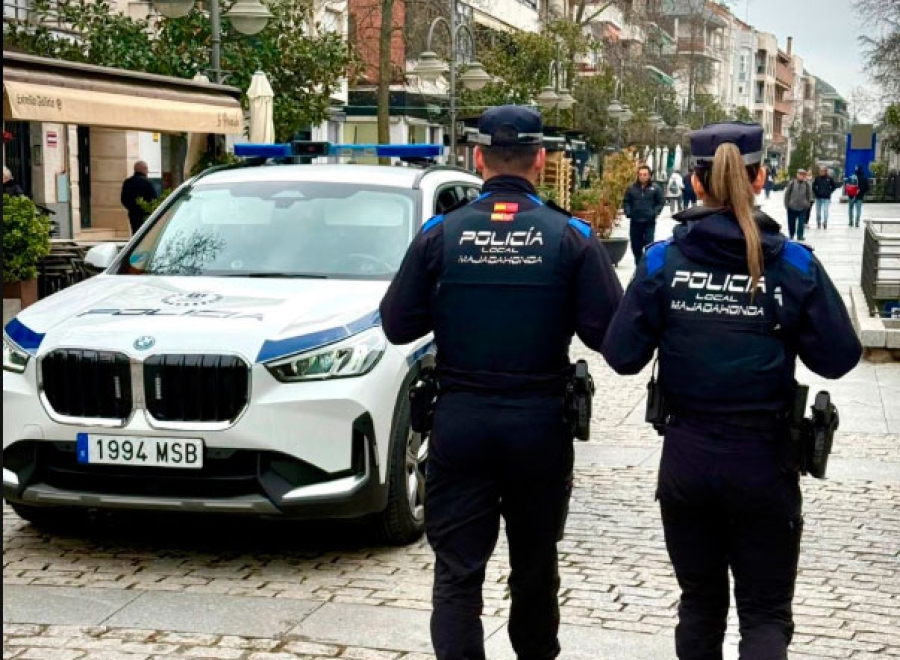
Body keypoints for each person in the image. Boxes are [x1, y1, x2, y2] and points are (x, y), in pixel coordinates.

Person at [601, 121, 862, 660]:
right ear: (761, 176)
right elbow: (838, 357)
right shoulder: (793, 263)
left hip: (687, 458)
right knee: (764, 614)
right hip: (764, 461)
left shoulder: (661, 261)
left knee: (699, 605)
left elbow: (621, 356)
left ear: (696, 184)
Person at [379, 105, 623, 660]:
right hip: (539, 425)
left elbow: (397, 324)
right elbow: (611, 335)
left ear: (477, 157)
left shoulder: (440, 235)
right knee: (535, 568)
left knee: (458, 576)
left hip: (461, 422)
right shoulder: (572, 237)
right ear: (541, 159)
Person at [623, 165, 665, 266]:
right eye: (640, 174)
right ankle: (638, 266)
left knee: (649, 245)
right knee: (636, 246)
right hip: (635, 222)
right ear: (638, 175)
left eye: (645, 174)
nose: (642, 177)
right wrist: (628, 212)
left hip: (649, 222)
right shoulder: (631, 188)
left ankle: (646, 266)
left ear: (649, 175)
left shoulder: (655, 188)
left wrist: (655, 212)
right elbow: (626, 201)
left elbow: (661, 202)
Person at [120, 160, 158, 234]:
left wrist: (131, 207)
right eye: (146, 169)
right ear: (143, 169)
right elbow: (154, 198)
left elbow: (123, 199)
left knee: (135, 232)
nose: (147, 171)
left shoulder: (127, 182)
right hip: (146, 214)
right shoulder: (147, 182)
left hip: (133, 213)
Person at [783, 169, 814, 241]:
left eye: (803, 175)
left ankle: (800, 236)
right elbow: (787, 194)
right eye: (800, 174)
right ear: (797, 175)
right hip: (791, 206)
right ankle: (791, 234)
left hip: (802, 207)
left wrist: (808, 204)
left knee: (801, 223)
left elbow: (809, 195)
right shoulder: (792, 183)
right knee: (791, 222)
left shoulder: (807, 184)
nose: (801, 176)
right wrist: (786, 204)